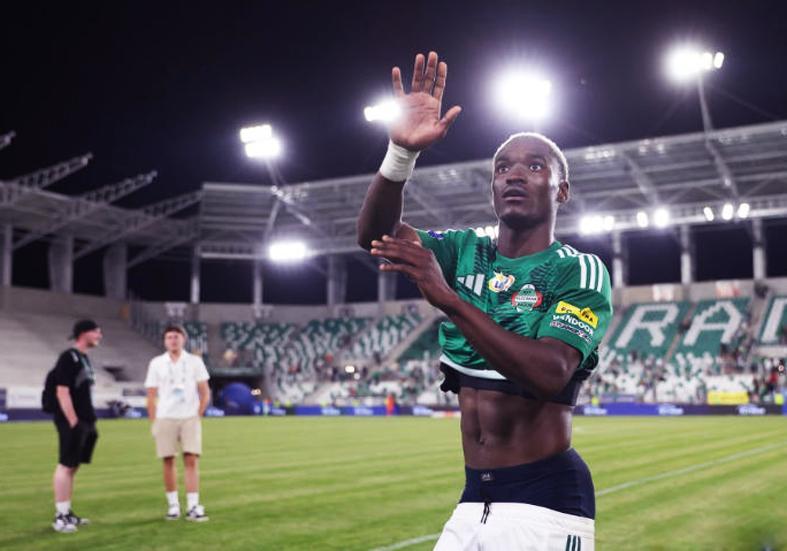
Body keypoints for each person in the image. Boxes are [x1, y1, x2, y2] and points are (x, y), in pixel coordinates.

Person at [357, 51, 613, 549]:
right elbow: (375, 236)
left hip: (544, 503)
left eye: (534, 166)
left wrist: (449, 300)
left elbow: (550, 373)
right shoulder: (463, 250)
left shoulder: (577, 269)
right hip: (474, 499)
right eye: (502, 168)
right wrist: (400, 155)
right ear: (492, 188)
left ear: (562, 190)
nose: (514, 174)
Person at [145, 324, 211, 521]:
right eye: (169, 337)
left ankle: (193, 506)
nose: (173, 340)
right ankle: (173, 506)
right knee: (168, 460)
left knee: (191, 460)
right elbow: (151, 395)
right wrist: (154, 421)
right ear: (165, 341)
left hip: (189, 416)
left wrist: (198, 414)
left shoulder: (195, 362)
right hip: (165, 417)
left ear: (183, 339)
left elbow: (205, 392)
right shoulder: (157, 363)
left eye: (176, 337)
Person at [51, 319, 102, 533]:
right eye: (96, 331)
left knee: (73, 466)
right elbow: (62, 391)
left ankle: (67, 511)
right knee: (65, 465)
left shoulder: (84, 358)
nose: (100, 335)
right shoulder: (68, 357)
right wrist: (73, 422)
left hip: (86, 420)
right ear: (84, 333)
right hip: (72, 420)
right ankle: (60, 516)